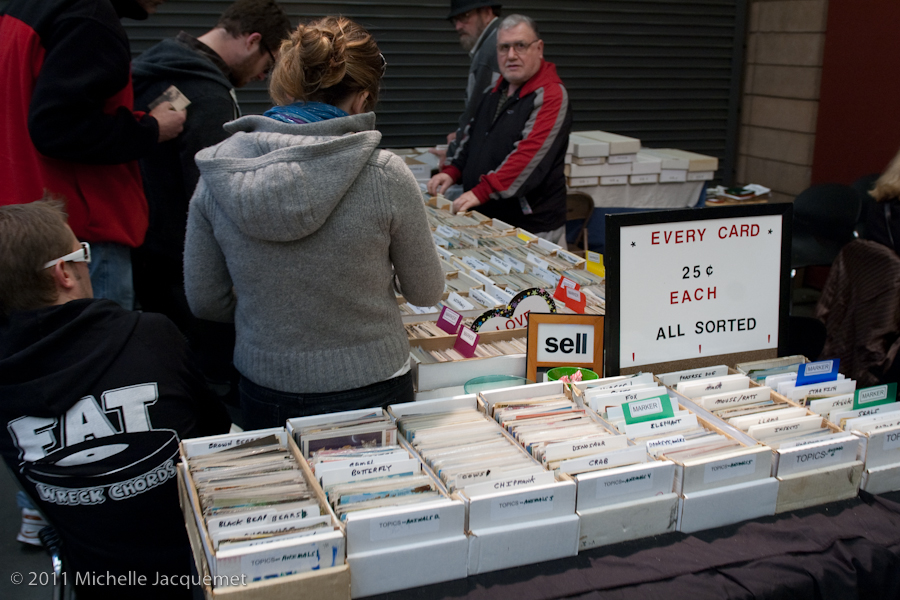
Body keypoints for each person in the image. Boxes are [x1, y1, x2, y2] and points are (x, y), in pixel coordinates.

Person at [183, 17, 445, 429]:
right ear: (362, 100)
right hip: (372, 379)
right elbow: (427, 291)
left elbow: (205, 300)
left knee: (284, 493)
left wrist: (274, 312)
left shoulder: (220, 170)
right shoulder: (385, 174)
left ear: (285, 87)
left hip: (267, 380)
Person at [0, 200, 230, 599]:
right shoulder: (150, 333)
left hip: (98, 578)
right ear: (64, 273)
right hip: (199, 565)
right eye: (82, 253)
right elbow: (214, 430)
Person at [132, 0, 291, 413]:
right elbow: (215, 194)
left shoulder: (160, 68)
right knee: (212, 378)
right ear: (252, 40)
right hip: (185, 261)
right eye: (268, 62)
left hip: (148, 250)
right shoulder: (208, 93)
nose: (263, 76)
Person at [0, 0, 186, 311]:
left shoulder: (22, 8)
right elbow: (58, 127)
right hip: (80, 240)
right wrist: (150, 130)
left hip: (21, 229)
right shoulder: (88, 19)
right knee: (99, 350)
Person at [427, 14, 572, 245]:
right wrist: (452, 171)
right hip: (489, 220)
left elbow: (528, 159)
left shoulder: (551, 95)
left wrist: (481, 191)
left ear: (539, 48)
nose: (511, 55)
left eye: (520, 46)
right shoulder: (493, 92)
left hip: (531, 229)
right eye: (504, 47)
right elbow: (471, 140)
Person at [445, 1, 502, 159]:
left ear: (487, 12)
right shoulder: (497, 39)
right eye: (455, 20)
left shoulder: (489, 51)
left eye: (464, 17)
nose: (458, 26)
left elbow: (476, 116)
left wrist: (453, 156)